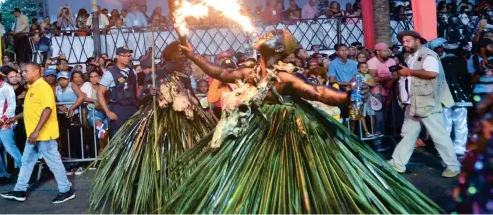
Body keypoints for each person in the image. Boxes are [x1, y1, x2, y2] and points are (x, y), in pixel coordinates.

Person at [163, 30, 442, 213]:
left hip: (289, 130)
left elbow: (318, 92)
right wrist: (194, 55)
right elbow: (221, 73)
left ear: (279, 48)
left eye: (272, 36)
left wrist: (348, 97)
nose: (263, 34)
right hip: (257, 131)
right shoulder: (250, 71)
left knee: (293, 177)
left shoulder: (284, 76)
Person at [89, 42, 216, 213]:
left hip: (184, 122)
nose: (182, 62)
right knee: (156, 157)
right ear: (169, 59)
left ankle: (186, 191)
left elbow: (191, 96)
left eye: (183, 59)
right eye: (178, 59)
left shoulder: (184, 76)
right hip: (159, 120)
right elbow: (142, 97)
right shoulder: (156, 73)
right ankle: (152, 193)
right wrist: (151, 93)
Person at [387, 31, 460, 178]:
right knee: (408, 134)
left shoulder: (428, 55)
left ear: (417, 40)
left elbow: (432, 73)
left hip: (427, 103)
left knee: (438, 135)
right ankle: (397, 163)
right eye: (403, 42)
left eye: (408, 41)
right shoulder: (409, 56)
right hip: (412, 102)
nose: (404, 44)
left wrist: (408, 72)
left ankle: (453, 165)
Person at [1, 62, 75, 203]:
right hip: (34, 135)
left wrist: (36, 131)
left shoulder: (43, 87)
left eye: (25, 71)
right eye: (22, 72)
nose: (22, 74)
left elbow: (47, 109)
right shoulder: (32, 88)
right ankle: (19, 190)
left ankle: (66, 190)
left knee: (54, 163)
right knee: (27, 162)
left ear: (36, 72)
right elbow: (31, 110)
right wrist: (14, 118)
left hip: (43, 134)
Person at [431, 38, 472, 156]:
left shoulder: (439, 63)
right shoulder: (462, 62)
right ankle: (459, 147)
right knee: (461, 124)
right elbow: (466, 79)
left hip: (445, 97)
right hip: (461, 97)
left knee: (445, 124)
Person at [97, 47, 140, 137]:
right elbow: (100, 93)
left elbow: (136, 91)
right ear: (117, 56)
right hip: (118, 108)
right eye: (124, 56)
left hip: (133, 107)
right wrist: (108, 112)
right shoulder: (110, 73)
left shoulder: (133, 71)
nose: (127, 58)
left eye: (129, 55)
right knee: (119, 137)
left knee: (135, 137)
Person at [366, 42, 398, 136]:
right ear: (378, 52)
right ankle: (377, 140)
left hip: (389, 91)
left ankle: (387, 138)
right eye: (385, 51)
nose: (387, 52)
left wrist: (391, 81)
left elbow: (396, 75)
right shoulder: (372, 62)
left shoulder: (392, 61)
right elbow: (374, 78)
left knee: (388, 116)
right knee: (378, 117)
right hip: (376, 92)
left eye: (388, 50)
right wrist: (390, 78)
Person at [55, 74, 85, 159]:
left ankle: (80, 160)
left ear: (68, 79)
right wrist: (59, 106)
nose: (62, 81)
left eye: (64, 79)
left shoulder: (72, 85)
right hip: (62, 115)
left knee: (75, 138)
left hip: (73, 115)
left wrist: (72, 108)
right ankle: (70, 159)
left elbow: (81, 97)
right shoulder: (57, 88)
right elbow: (53, 100)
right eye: (60, 80)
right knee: (65, 139)